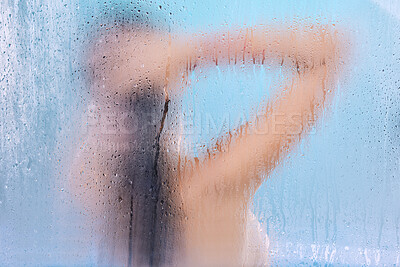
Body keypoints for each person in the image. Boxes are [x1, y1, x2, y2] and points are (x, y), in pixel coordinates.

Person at [70, 7, 347, 266]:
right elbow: (326, 55)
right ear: (168, 85)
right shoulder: (207, 186)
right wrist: (192, 51)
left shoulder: (88, 184)